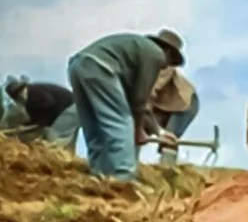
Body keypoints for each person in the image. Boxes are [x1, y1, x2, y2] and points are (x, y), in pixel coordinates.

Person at [67, 29, 185, 181]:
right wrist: (137, 131)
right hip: (101, 67)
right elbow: (140, 99)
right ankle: (124, 179)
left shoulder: (135, 52)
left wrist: (158, 131)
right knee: (121, 123)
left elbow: (136, 101)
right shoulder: (155, 55)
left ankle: (99, 175)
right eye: (169, 63)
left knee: (95, 127)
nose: (165, 67)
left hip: (78, 66)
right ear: (167, 52)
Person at [3, 79, 80, 151]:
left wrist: (25, 128)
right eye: (18, 96)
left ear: (25, 87)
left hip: (70, 108)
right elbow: (35, 122)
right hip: (70, 109)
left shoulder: (34, 93)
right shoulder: (29, 104)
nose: (22, 97)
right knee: (54, 139)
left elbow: (49, 104)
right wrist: (19, 129)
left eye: (21, 92)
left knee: (52, 137)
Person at [149, 67, 199, 166]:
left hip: (184, 104)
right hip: (160, 106)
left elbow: (150, 93)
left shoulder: (159, 63)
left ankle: (167, 171)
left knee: (169, 138)